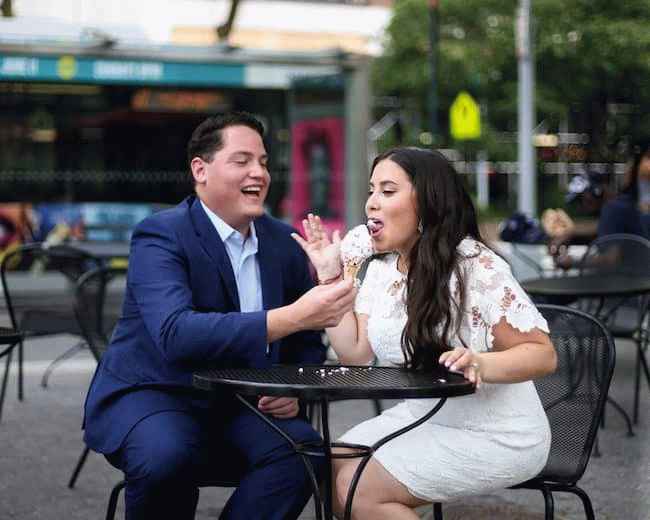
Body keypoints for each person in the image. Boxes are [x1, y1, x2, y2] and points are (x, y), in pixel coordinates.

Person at [82, 112, 357, 520]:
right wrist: (291, 316)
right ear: (201, 170)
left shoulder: (283, 241)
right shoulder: (161, 234)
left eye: (263, 162)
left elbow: (305, 343)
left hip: (241, 403)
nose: (259, 172)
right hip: (156, 394)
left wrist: (293, 388)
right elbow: (176, 333)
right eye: (242, 160)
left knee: (304, 453)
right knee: (167, 456)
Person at [292, 147, 557, 519]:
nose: (371, 203)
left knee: (359, 488)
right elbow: (354, 353)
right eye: (371, 190)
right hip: (423, 415)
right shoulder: (383, 270)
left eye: (388, 191)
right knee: (329, 467)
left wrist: (481, 363)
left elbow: (543, 354)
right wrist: (331, 279)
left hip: (498, 432)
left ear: (427, 202)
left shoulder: (475, 266)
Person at [551, 142, 650, 268]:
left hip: (630, 280)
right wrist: (572, 232)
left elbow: (610, 260)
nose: (581, 207)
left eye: (581, 200)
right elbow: (603, 227)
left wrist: (573, 262)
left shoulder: (613, 210)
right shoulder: (627, 206)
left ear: (596, 192)